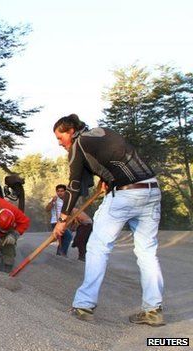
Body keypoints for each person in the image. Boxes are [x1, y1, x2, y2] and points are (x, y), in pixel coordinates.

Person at [52, 114, 164, 326]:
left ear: (71, 131)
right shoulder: (103, 132)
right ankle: (153, 310)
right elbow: (117, 158)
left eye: (60, 138)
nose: (60, 144)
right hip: (151, 189)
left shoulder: (78, 144)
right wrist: (107, 179)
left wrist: (62, 219)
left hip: (126, 195)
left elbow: (74, 185)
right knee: (147, 251)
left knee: (97, 247)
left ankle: (84, 305)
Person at [45, 184, 74, 256]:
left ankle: (59, 254)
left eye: (62, 191)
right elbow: (47, 209)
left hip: (63, 221)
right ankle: (62, 253)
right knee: (68, 236)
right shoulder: (54, 199)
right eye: (58, 191)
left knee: (63, 238)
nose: (60, 193)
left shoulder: (67, 200)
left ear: (65, 192)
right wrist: (53, 202)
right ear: (56, 192)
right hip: (56, 222)